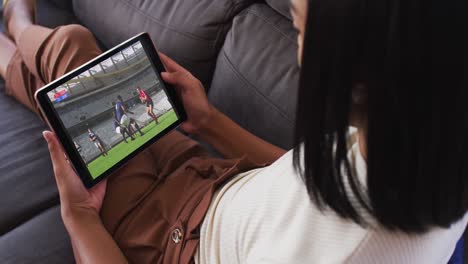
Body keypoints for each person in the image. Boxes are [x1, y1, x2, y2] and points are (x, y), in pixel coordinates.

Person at [1, 0, 467, 263]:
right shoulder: (423, 142)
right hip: (213, 181)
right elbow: (303, 180)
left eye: (299, 30)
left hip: (168, 239)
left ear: (355, 75)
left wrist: (79, 217)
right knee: (80, 83)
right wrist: (209, 122)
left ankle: (15, 25)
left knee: (71, 50)